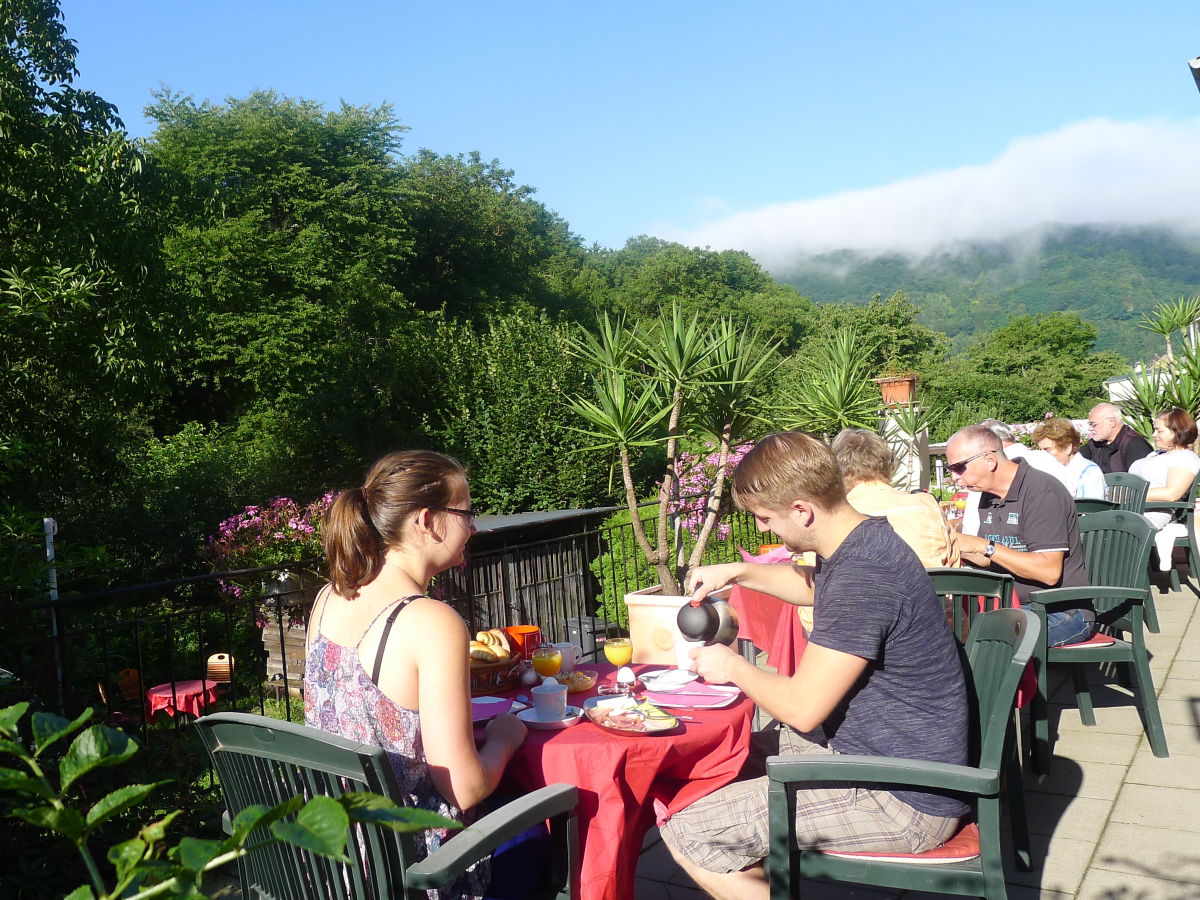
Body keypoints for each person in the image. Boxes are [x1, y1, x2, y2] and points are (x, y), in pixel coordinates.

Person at [658, 431, 968, 900]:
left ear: (802, 510)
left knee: (692, 832)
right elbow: (814, 588)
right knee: (719, 760)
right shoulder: (864, 541)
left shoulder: (864, 574)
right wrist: (739, 571)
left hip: (903, 797)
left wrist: (731, 665)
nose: (763, 529)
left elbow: (803, 709)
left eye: (765, 518)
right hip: (878, 755)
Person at [304, 450, 529, 900]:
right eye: (466, 513)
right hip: (414, 869)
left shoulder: (329, 597)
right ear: (427, 521)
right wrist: (506, 737)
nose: (473, 527)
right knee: (549, 827)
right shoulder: (430, 621)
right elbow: (463, 788)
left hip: (336, 859)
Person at [946, 425, 1094, 647]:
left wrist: (983, 545)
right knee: (942, 626)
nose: (954, 477)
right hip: (1011, 606)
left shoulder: (1042, 492)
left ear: (990, 460)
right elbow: (991, 558)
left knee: (983, 641)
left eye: (959, 468)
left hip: (1060, 610)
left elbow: (1048, 572)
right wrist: (955, 547)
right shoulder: (988, 494)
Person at [831, 428, 958, 567]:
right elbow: (953, 566)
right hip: (929, 580)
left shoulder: (835, 517)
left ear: (837, 470)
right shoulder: (928, 505)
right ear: (889, 464)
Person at [1129, 408, 1200, 571]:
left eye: (1159, 430)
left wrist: (1130, 495)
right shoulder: (1155, 454)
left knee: (1099, 529)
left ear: (1177, 432)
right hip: (1132, 508)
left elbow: (1172, 494)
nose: (1154, 434)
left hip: (1152, 511)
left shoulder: (1184, 458)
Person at [1031, 417, 1107, 499]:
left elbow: (1088, 506)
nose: (1043, 455)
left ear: (1067, 448)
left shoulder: (1089, 473)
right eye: (1040, 450)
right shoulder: (1050, 471)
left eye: (1047, 450)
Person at [1080, 402, 1154, 474]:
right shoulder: (1095, 443)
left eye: (1094, 425)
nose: (1090, 428)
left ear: (1112, 422)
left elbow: (1139, 478)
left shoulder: (1134, 444)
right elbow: (1076, 460)